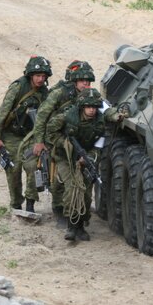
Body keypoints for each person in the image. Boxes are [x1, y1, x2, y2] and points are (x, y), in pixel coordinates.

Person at [29, 60, 96, 226]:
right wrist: (39, 141)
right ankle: (59, 210)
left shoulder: (91, 95)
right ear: (74, 81)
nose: (86, 84)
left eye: (88, 81)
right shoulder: (59, 93)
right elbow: (42, 117)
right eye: (82, 81)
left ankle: (80, 213)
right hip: (56, 139)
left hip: (79, 141)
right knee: (57, 178)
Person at [0, 56, 52, 212]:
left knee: (33, 167)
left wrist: (41, 140)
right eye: (37, 75)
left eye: (43, 76)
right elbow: (2, 112)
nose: (40, 79)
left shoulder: (45, 93)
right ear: (30, 75)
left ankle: (30, 203)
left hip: (30, 135)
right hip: (11, 134)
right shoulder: (18, 87)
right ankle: (16, 203)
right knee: (13, 169)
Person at [45, 88, 105, 241]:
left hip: (86, 158)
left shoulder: (101, 122)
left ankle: (81, 226)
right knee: (72, 190)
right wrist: (65, 144)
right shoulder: (66, 117)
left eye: (94, 107)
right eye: (88, 107)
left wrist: (89, 158)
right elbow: (50, 132)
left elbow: (99, 146)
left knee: (85, 194)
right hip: (65, 158)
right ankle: (72, 226)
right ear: (82, 107)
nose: (92, 110)